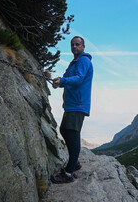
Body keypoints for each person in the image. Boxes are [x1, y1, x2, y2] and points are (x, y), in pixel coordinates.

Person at [50, 36, 93, 184]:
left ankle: (68, 173)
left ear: (83, 46)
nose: (75, 47)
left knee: (73, 135)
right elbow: (68, 79)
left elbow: (79, 78)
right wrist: (59, 83)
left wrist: (63, 81)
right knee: (64, 130)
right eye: (73, 45)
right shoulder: (73, 63)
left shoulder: (83, 61)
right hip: (72, 104)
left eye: (78, 44)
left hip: (78, 105)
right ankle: (74, 162)